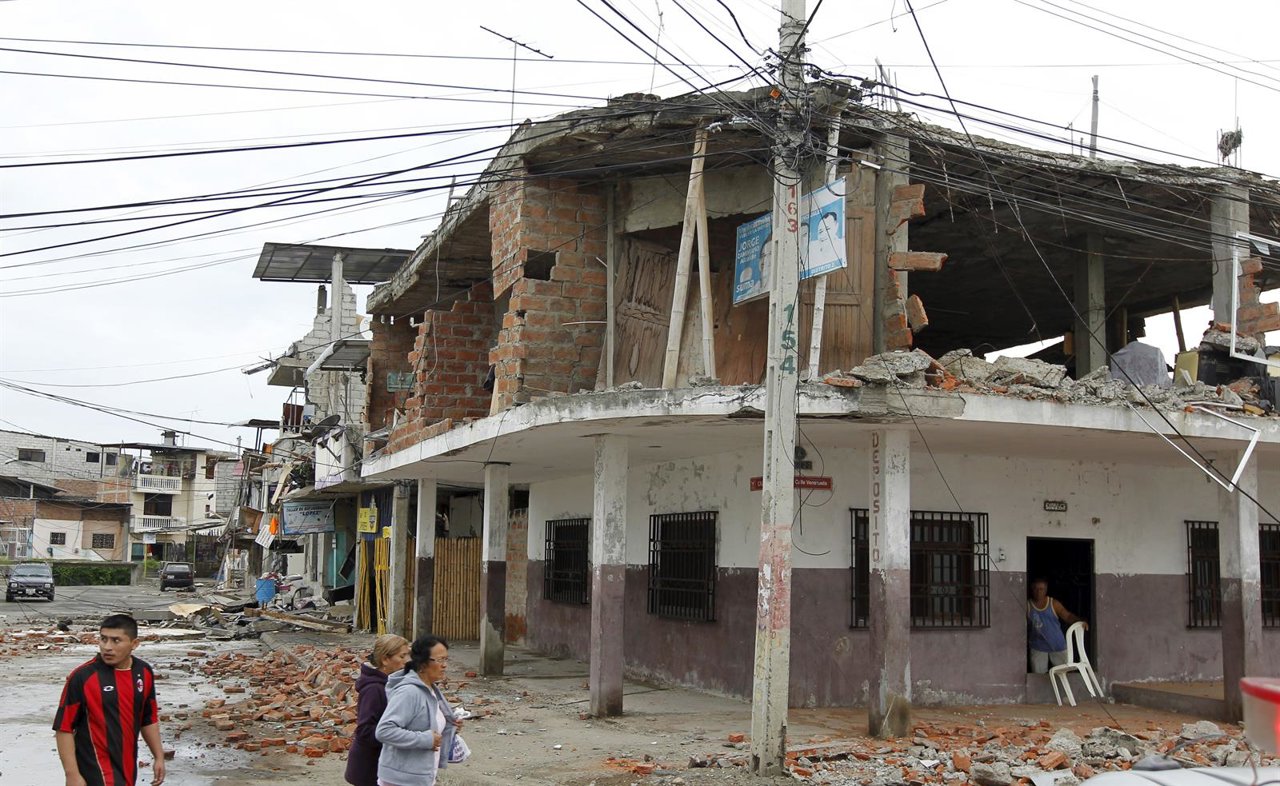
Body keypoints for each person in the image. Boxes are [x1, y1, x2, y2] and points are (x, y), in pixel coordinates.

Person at [54, 614, 165, 786]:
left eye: (116, 641)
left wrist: (158, 757)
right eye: (103, 639)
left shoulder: (143, 672)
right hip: (94, 767)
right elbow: (64, 728)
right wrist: (72, 775)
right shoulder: (83, 677)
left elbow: (148, 718)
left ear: (134, 644)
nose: (107, 647)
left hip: (127, 766)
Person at [376, 635, 462, 786]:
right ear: (422, 664)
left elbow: (427, 724)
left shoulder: (431, 689)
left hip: (420, 776)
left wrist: (451, 725)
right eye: (440, 660)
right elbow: (384, 730)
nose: (444, 665)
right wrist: (426, 739)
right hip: (401, 780)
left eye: (446, 659)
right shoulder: (409, 692)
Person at [344, 634, 410, 786]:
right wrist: (398, 735)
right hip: (370, 769)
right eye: (402, 656)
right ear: (385, 659)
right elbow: (365, 730)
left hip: (383, 765)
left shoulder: (390, 684)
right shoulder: (374, 689)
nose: (406, 661)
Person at [1027, 577, 1088, 673]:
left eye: (1041, 589)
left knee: (1064, 674)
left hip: (1058, 645)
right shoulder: (1028, 605)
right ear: (1031, 589)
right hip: (1038, 647)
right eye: (1036, 589)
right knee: (1038, 677)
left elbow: (1067, 616)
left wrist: (1080, 621)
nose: (1038, 592)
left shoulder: (1053, 603)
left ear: (1046, 589)